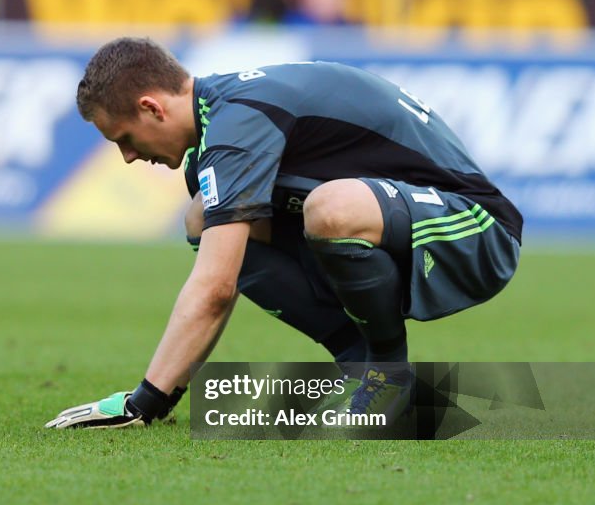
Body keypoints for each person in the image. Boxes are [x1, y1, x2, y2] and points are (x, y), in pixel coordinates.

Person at [45, 37, 522, 429]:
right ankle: (371, 373)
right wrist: (160, 397)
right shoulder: (223, 122)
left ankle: (388, 377)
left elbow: (215, 287)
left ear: (152, 107)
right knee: (202, 216)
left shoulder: (238, 124)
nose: (128, 157)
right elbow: (224, 266)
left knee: (330, 210)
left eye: (124, 138)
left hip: (478, 228)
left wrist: (143, 402)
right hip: (401, 220)